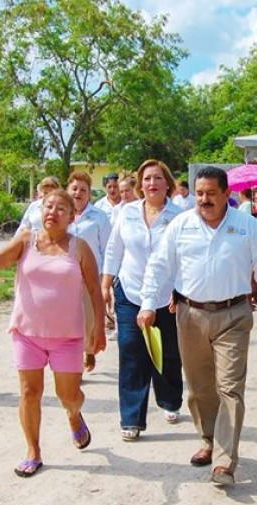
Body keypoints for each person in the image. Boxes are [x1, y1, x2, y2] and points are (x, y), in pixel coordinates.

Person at [138, 166, 257, 486]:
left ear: (226, 194)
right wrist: (148, 304)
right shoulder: (181, 225)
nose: (203, 199)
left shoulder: (246, 226)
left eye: (211, 193)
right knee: (200, 387)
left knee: (229, 387)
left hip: (234, 315)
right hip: (190, 315)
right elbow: (159, 266)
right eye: (199, 193)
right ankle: (207, 439)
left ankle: (224, 461)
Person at [0, 189, 107, 477]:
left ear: (71, 216)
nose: (52, 212)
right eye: (48, 207)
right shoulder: (27, 241)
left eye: (60, 209)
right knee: (30, 392)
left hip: (67, 337)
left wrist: (99, 329)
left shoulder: (79, 248)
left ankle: (74, 414)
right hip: (27, 332)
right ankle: (33, 451)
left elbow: (94, 291)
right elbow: (1, 259)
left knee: (68, 395)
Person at [102, 159, 185, 441]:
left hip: (166, 296)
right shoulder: (127, 213)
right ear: (140, 184)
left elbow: (185, 256)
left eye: (158, 178)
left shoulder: (179, 216)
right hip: (130, 290)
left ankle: (170, 399)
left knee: (168, 353)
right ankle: (132, 418)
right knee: (131, 352)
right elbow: (114, 249)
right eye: (147, 178)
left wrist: (180, 290)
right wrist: (105, 284)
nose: (152, 183)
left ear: (168, 184)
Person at [21, 171, 111, 371]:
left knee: (87, 320)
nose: (78, 192)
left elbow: (107, 249)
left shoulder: (99, 217)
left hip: (88, 279)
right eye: (74, 188)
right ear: (67, 191)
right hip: (61, 279)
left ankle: (88, 351)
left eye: (83, 190)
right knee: (66, 321)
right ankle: (70, 361)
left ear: (89, 195)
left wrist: (105, 281)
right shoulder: (56, 215)